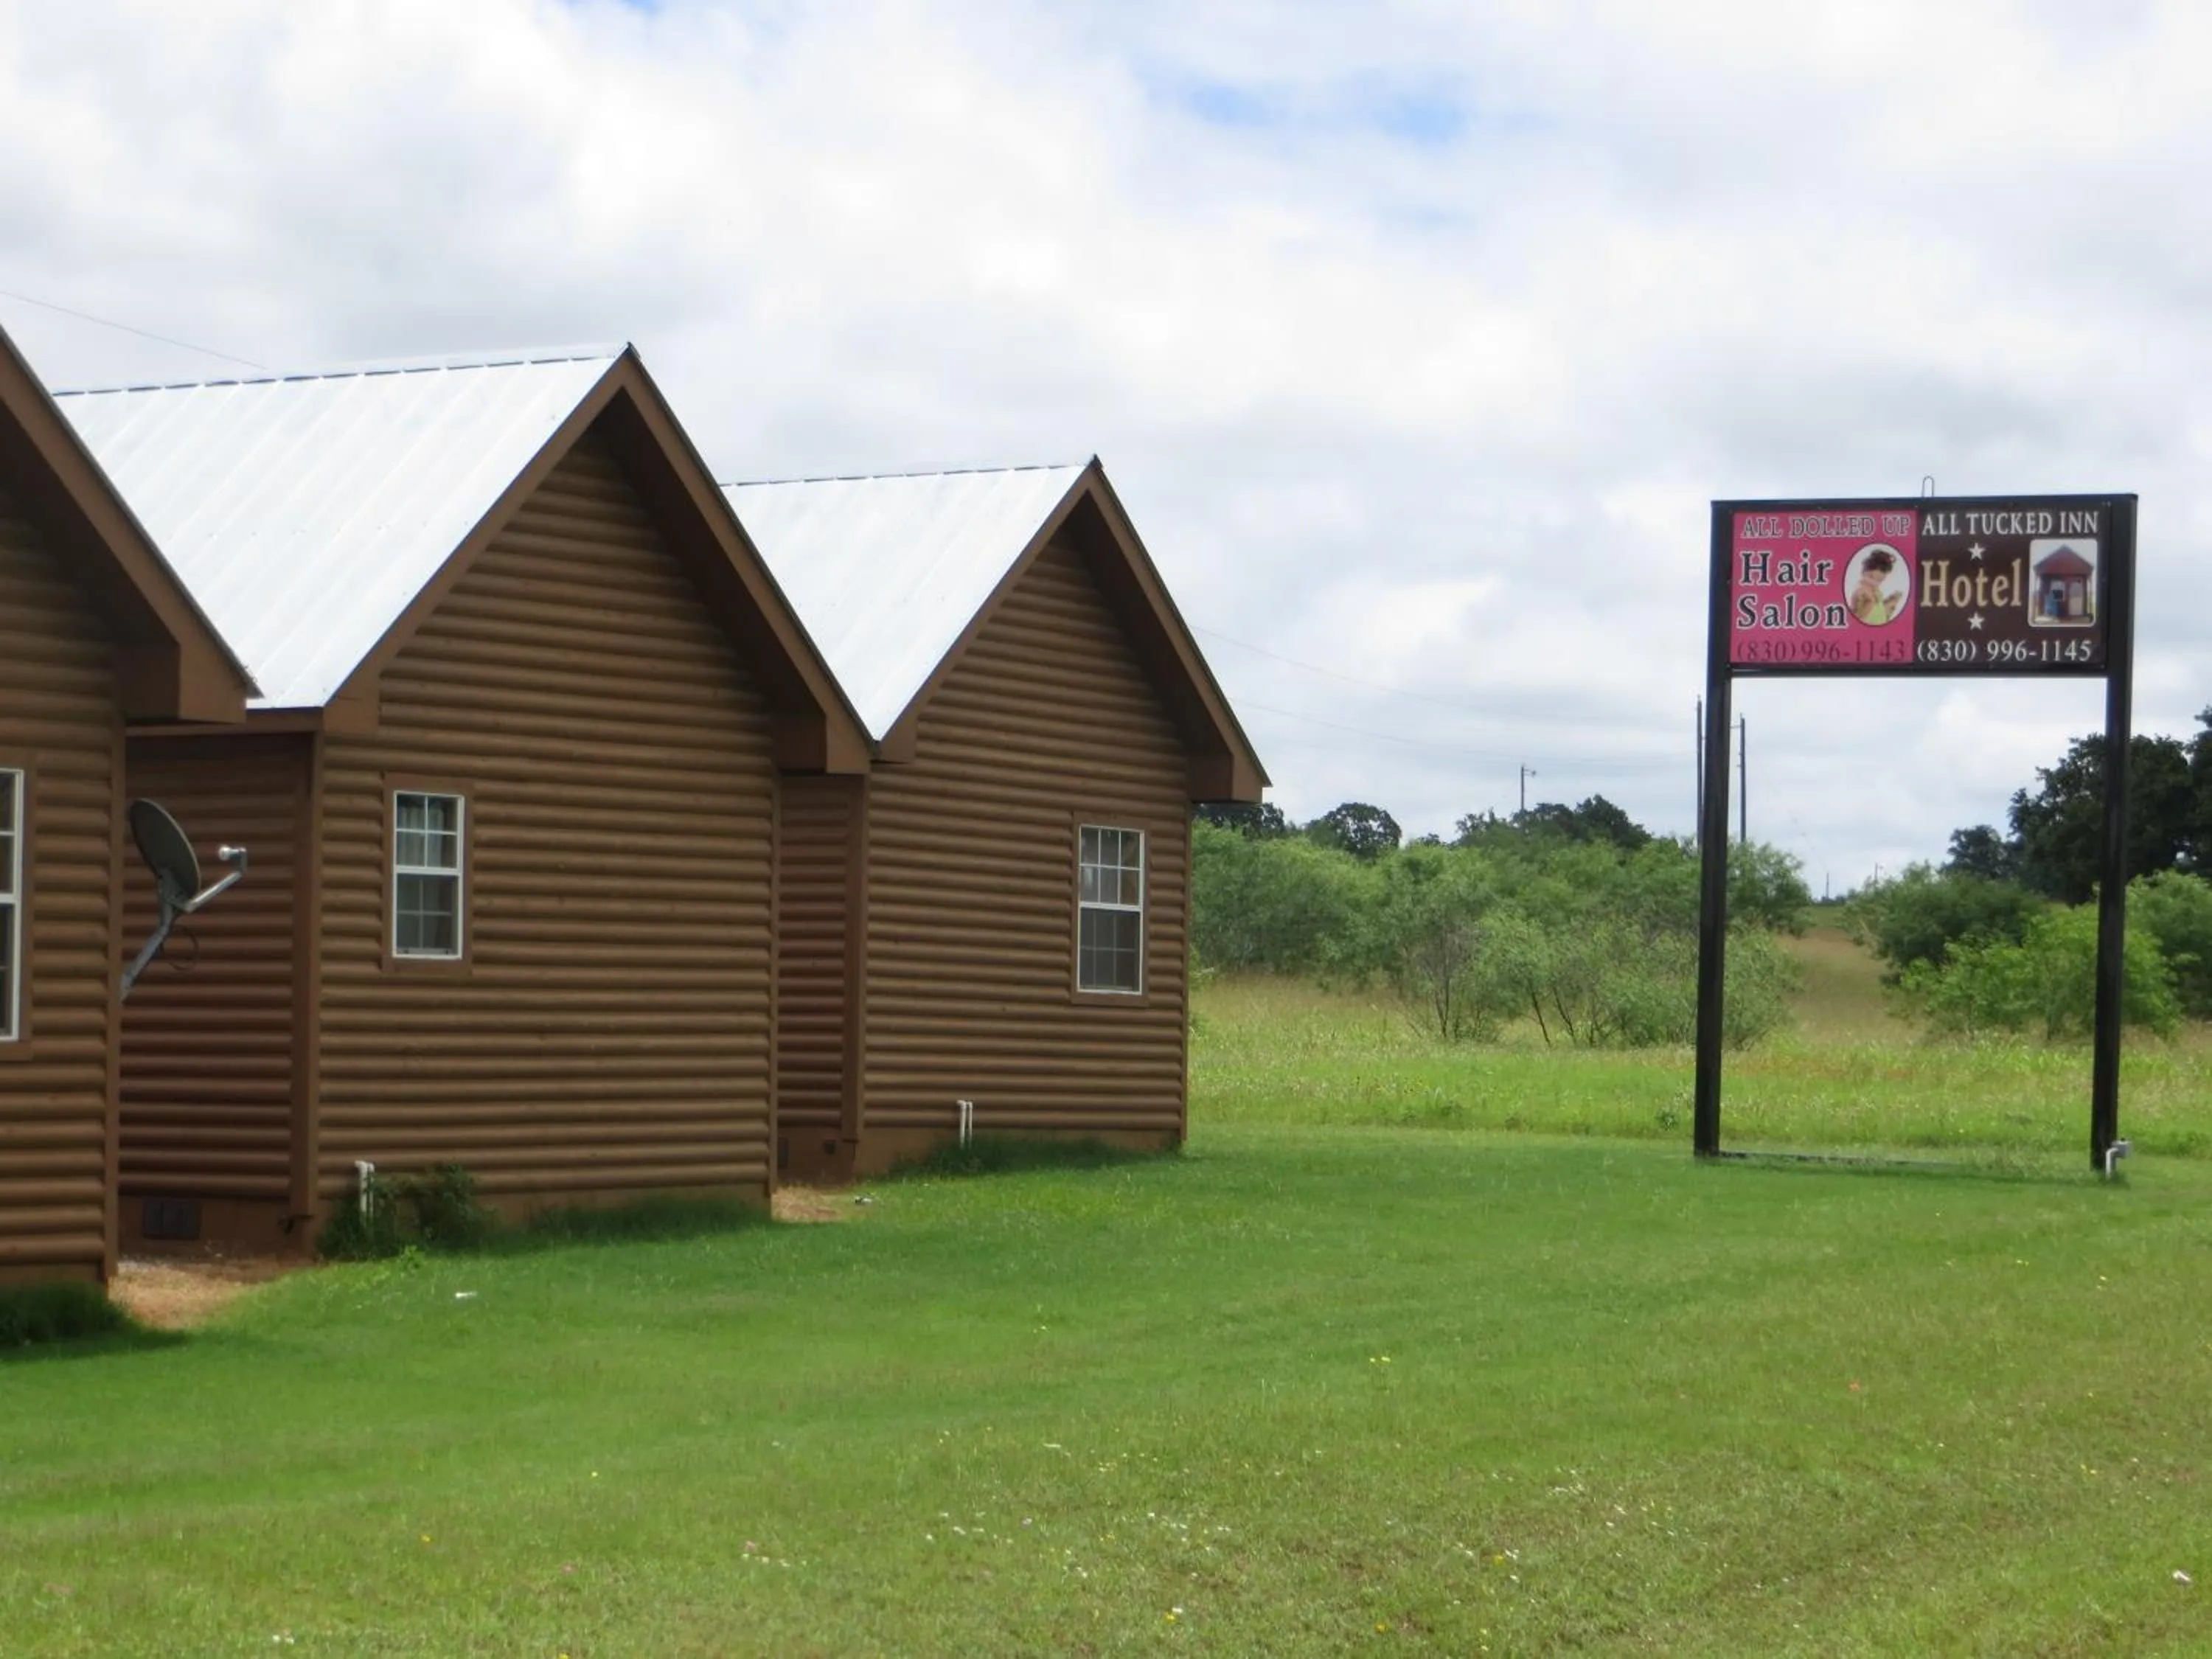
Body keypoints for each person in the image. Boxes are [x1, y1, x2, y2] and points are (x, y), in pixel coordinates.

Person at [1850, 547, 1905, 625]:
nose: (1875, 584)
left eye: (1879, 581)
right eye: (1871, 578)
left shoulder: (1876, 590)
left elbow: (1878, 609)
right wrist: (1869, 603)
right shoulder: (1861, 592)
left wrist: (1891, 602)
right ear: (1863, 573)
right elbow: (1858, 617)